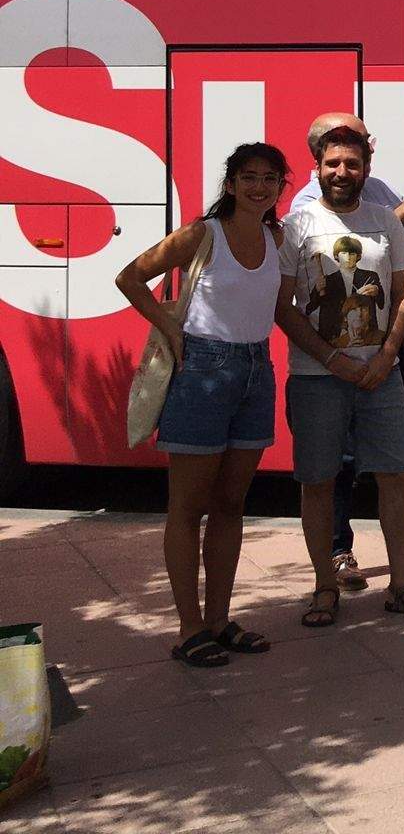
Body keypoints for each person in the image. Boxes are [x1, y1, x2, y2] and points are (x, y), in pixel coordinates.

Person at [117, 143, 295, 666]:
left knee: (231, 505)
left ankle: (219, 620)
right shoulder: (202, 234)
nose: (259, 187)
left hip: (255, 374)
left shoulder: (276, 237)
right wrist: (168, 322)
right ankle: (189, 627)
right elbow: (131, 275)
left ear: (279, 187)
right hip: (201, 373)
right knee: (188, 508)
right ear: (231, 183)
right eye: (248, 178)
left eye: (269, 179)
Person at [290, 113, 404, 590]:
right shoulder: (305, 204)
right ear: (319, 157)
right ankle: (338, 552)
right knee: (341, 457)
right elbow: (348, 240)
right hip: (336, 341)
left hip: (398, 331)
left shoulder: (381, 189)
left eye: (358, 152)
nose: (346, 167)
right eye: (339, 154)